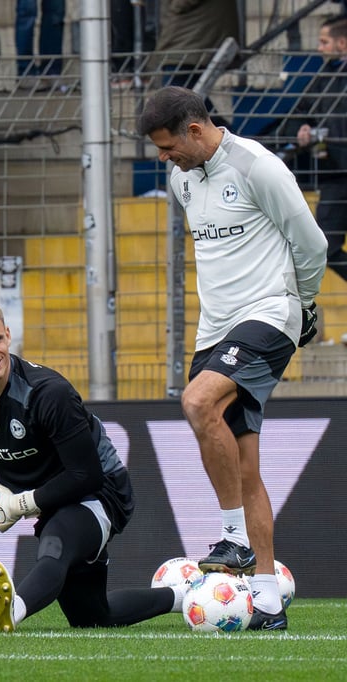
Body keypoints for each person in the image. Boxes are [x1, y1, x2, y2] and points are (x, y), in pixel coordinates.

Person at [136, 86, 328, 631]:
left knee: (197, 402)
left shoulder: (257, 166)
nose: (163, 158)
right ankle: (267, 601)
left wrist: (304, 304)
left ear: (196, 131)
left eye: (168, 146)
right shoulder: (182, 178)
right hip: (215, 329)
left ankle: (235, 540)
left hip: (269, 312)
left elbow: (310, 244)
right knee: (246, 466)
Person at [0, 297, 180, 632]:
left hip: (100, 492)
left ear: (8, 334)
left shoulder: (47, 393)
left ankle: (10, 611)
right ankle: (180, 596)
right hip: (50, 498)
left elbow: (87, 475)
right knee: (93, 617)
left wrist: (21, 503)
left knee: (55, 543)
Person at [284, 15, 347, 284]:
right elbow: (298, 115)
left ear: (342, 43)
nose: (319, 48)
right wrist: (301, 130)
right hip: (334, 173)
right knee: (325, 246)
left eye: (324, 42)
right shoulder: (325, 76)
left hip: (335, 169)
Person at [152, 0, 239, 126]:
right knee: (184, 101)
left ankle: (228, 139)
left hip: (191, 40)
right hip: (191, 38)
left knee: (175, 101)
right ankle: (228, 138)